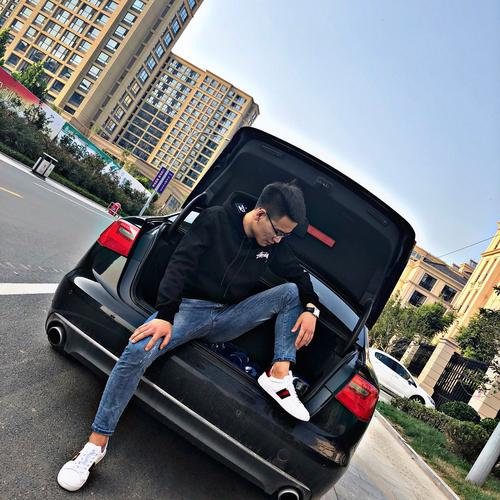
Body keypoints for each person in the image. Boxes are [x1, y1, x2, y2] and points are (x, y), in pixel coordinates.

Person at [57, 181, 320, 492]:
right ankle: (96, 445)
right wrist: (166, 315)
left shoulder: (272, 245)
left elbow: (299, 276)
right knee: (137, 350)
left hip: (230, 316)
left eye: (285, 236)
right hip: (190, 309)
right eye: (278, 232)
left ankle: (278, 374)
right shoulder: (216, 220)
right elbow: (179, 265)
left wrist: (311, 309)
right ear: (260, 214)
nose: (278, 240)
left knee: (291, 293)